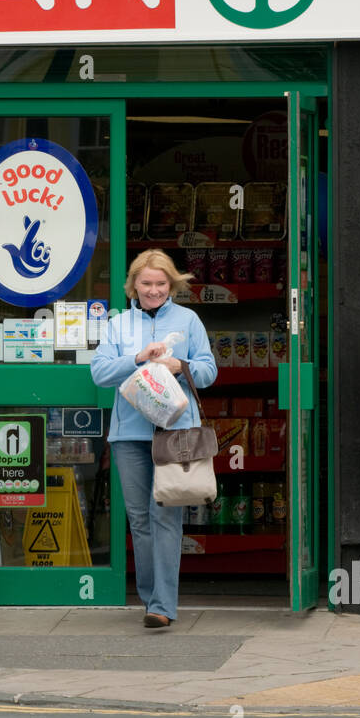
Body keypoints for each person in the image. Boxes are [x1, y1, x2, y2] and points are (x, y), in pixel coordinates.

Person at [91, 249, 217, 628]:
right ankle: (151, 599)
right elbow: (99, 373)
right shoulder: (118, 324)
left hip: (175, 433)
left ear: (172, 284)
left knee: (165, 514)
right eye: (146, 283)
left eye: (161, 283)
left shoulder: (188, 320)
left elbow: (209, 372)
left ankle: (162, 605)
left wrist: (180, 365)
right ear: (134, 285)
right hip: (128, 434)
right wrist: (137, 358)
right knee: (139, 519)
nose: (154, 290)